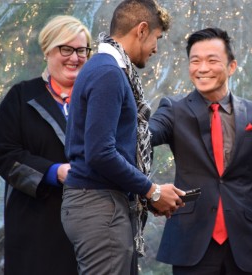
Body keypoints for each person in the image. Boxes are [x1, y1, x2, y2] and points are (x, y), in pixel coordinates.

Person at [149, 27, 252, 275]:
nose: (202, 68)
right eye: (195, 61)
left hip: (245, 245)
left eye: (212, 60)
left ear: (231, 66)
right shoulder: (173, 109)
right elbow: (145, 136)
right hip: (191, 242)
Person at [60, 1, 185, 274]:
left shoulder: (104, 68)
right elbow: (100, 153)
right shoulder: (108, 73)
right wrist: (152, 191)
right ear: (141, 30)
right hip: (99, 207)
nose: (156, 48)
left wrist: (145, 194)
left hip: (99, 204)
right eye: (157, 38)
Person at [0, 15, 92, 275]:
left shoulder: (99, 98)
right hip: (36, 228)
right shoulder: (21, 97)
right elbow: (4, 155)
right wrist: (55, 172)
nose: (74, 58)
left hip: (91, 229)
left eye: (81, 50)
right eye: (66, 49)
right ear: (48, 49)